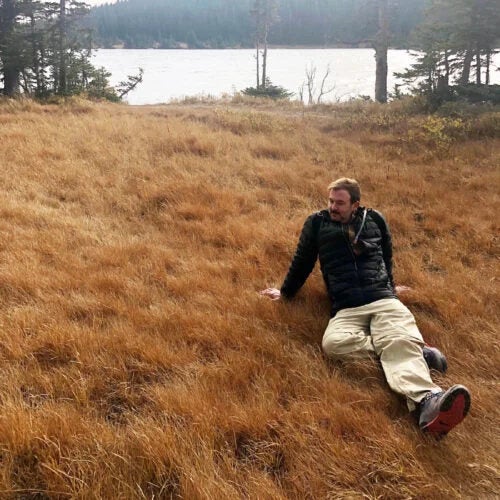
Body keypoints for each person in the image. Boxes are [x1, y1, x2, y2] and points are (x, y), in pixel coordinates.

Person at [260, 177, 470, 438]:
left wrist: (390, 287)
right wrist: (285, 293)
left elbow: (386, 255)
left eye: (340, 203)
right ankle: (418, 354)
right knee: (334, 344)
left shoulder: (375, 220)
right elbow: (302, 260)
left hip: (383, 300)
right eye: (330, 201)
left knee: (395, 339)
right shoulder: (317, 223)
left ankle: (429, 402)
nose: (333, 207)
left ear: (355, 204)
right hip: (346, 308)